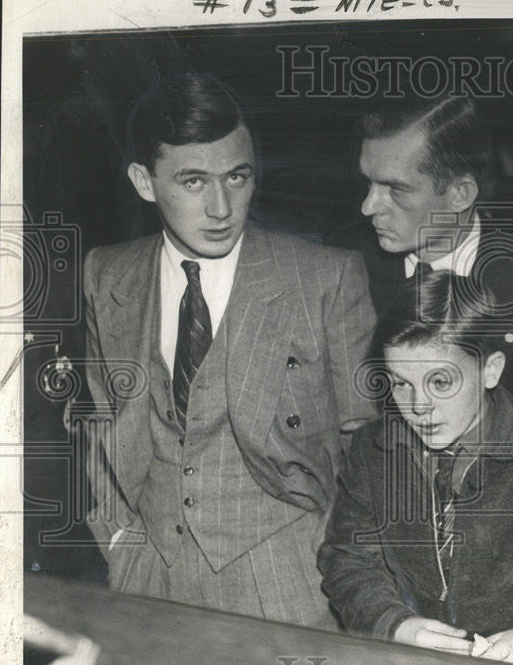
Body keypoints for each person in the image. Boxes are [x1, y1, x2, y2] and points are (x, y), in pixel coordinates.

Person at [83, 72, 376, 626]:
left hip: (293, 585)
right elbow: (99, 419)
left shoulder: (324, 278)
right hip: (147, 580)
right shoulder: (106, 274)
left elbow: (367, 444)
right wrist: (119, 539)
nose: (221, 207)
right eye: (193, 182)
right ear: (144, 182)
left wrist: (332, 561)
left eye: (237, 177)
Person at [317, 272, 513, 665]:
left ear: (490, 370)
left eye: (441, 382)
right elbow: (347, 558)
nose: (418, 407)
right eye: (400, 384)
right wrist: (394, 625)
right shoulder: (372, 450)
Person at [349, 94, 513, 421]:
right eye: (368, 183)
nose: (368, 206)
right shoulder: (344, 271)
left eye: (395, 189)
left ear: (460, 194)